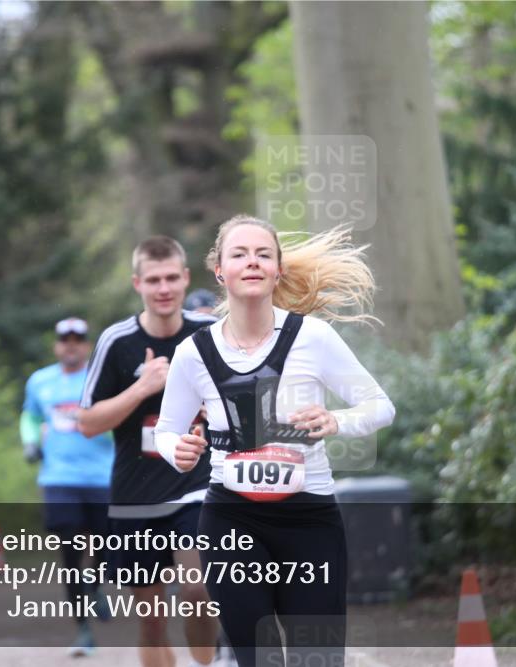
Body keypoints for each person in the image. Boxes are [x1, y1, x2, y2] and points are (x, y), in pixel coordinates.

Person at [153, 215, 395, 667]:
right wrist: (177, 450)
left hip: (310, 520)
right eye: (239, 254)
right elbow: (166, 431)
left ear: (278, 270)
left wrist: (335, 419)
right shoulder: (194, 353)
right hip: (231, 520)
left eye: (264, 254)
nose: (252, 262)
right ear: (220, 270)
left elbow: (380, 406)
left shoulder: (313, 337)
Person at [78, 236, 219, 667]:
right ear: (137, 283)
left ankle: (206, 663)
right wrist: (142, 386)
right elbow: (87, 423)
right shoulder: (116, 342)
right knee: (152, 620)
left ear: (185, 279)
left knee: (198, 588)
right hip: (136, 495)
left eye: (172, 278)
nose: (164, 288)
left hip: (196, 486)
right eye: (154, 280)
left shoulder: (209, 334)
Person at [21, 317, 116, 657]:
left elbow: (118, 417)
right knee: (70, 553)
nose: (71, 345)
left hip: (102, 476)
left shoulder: (101, 378)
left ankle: (96, 584)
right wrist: (30, 442)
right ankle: (83, 631)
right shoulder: (40, 381)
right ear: (56, 345)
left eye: (78, 339)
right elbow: (30, 416)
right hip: (59, 478)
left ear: (87, 345)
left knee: (107, 547)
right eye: (65, 339)